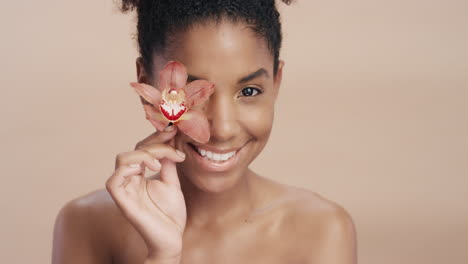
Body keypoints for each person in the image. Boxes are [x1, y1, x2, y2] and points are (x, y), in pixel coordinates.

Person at [52, 0, 357, 263]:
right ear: (147, 83)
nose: (222, 129)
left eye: (249, 91)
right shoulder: (86, 225)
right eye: (192, 93)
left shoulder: (322, 229)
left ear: (276, 83)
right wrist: (163, 256)